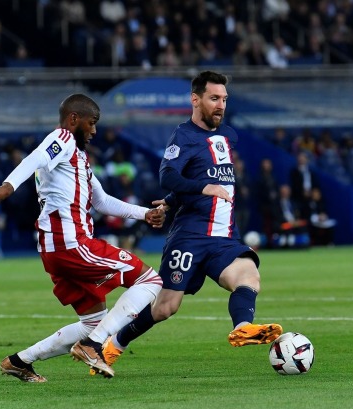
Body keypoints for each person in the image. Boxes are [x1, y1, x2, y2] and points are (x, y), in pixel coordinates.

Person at [87, 71, 283, 377]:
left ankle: (243, 328)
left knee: (249, 275)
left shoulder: (227, 135)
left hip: (224, 237)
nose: (220, 105)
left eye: (224, 100)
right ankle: (114, 345)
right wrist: (194, 192)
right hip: (190, 237)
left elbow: (191, 182)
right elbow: (169, 176)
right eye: (214, 98)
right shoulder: (183, 136)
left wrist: (172, 201)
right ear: (196, 99)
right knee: (166, 307)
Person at [0, 93, 165, 380]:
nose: (94, 131)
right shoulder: (62, 137)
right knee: (150, 280)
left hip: (57, 248)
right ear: (74, 119)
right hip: (72, 242)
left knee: (93, 321)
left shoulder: (75, 158)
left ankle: (19, 360)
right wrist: (8, 187)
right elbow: (36, 157)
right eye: (92, 123)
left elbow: (101, 201)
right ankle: (92, 345)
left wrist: (143, 214)